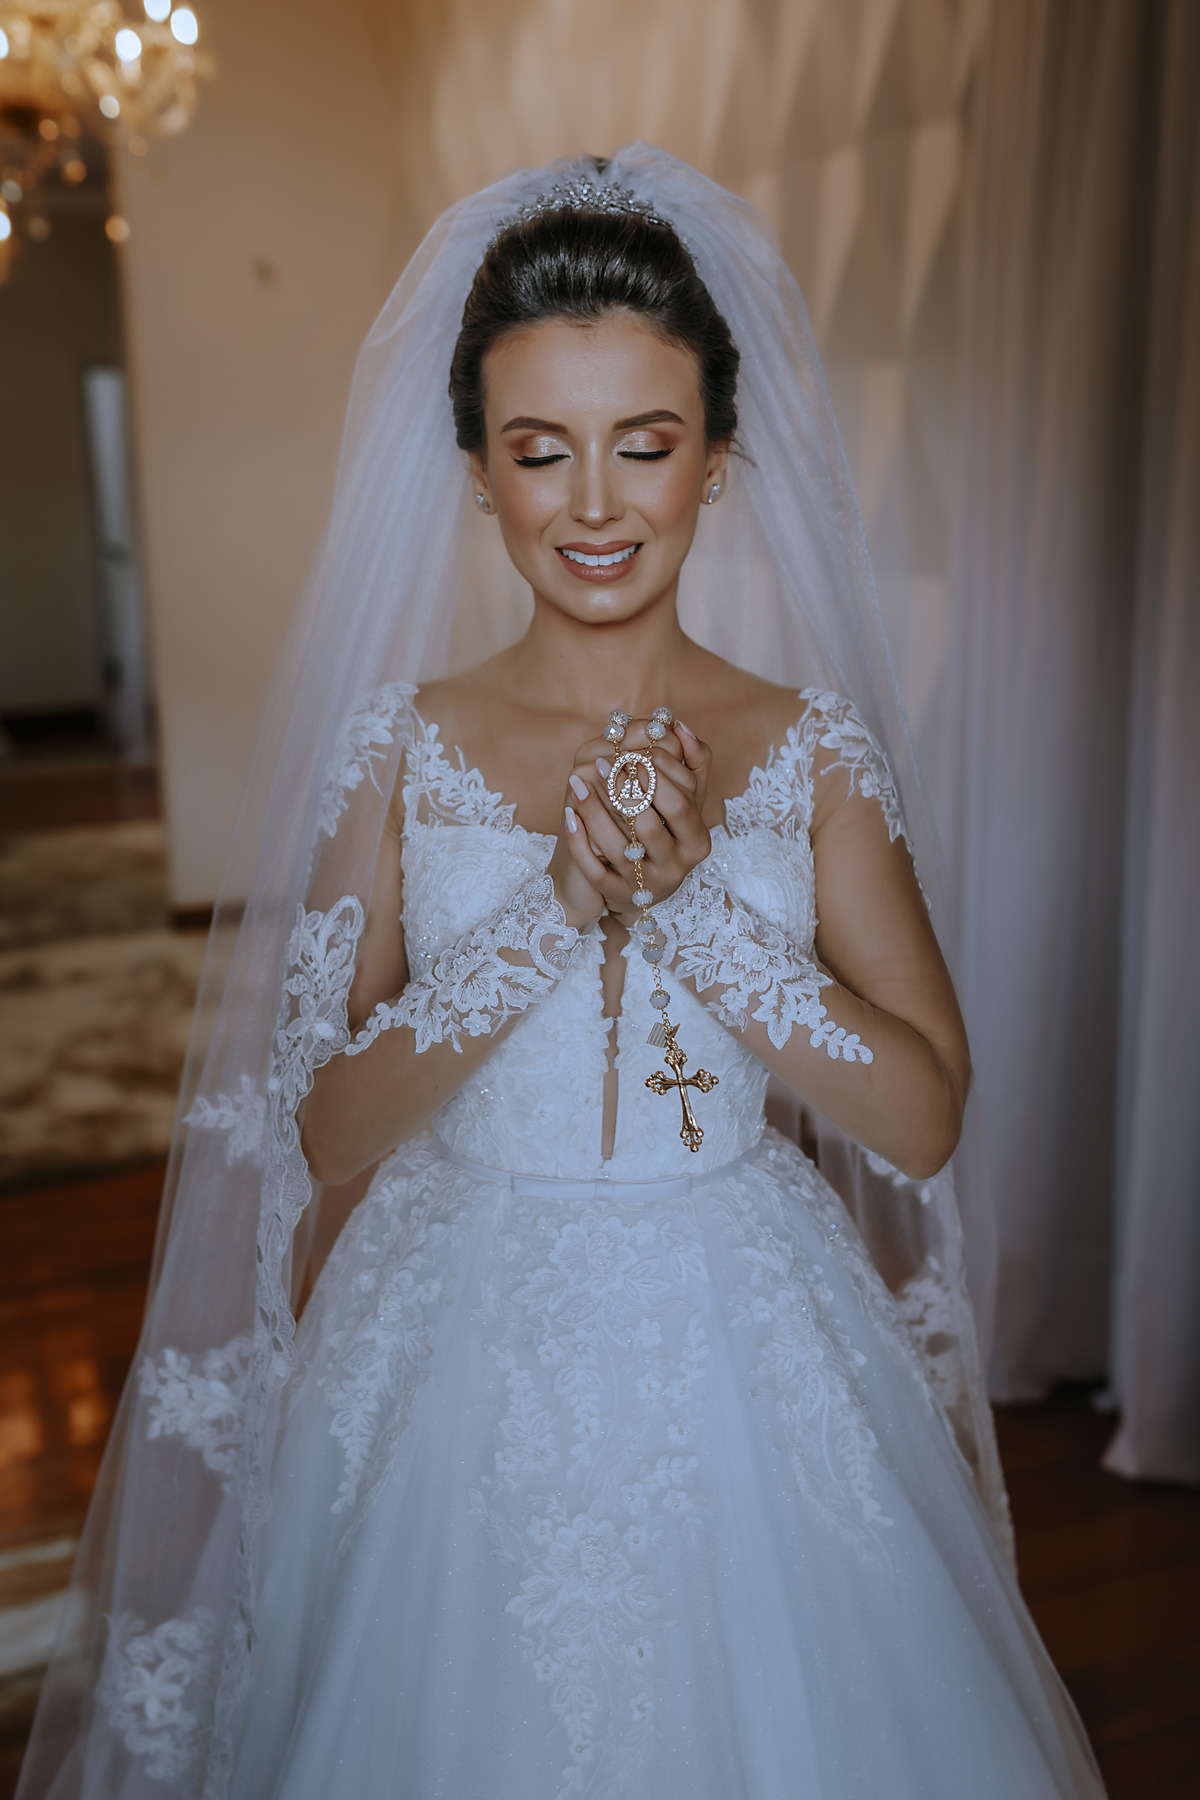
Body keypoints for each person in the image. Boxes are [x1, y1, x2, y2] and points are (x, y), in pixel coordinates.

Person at [17, 147, 1106, 1800]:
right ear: (477, 472)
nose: (594, 504)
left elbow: (926, 1116)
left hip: (745, 1336)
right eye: (541, 451)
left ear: (717, 461)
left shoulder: (809, 757)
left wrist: (688, 910)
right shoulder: (399, 749)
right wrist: (553, 905)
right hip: (457, 1342)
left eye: (643, 446)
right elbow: (324, 1131)